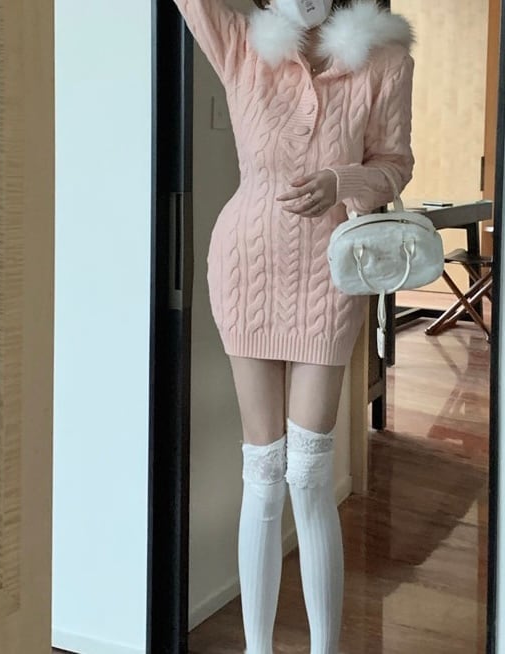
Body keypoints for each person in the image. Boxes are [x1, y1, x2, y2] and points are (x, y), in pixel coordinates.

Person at [172, 1, 414, 652]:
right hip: (246, 268)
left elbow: (394, 164)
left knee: (308, 470)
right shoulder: (243, 45)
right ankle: (258, 649)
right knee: (262, 468)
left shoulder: (385, 60)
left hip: (329, 275)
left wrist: (342, 180)